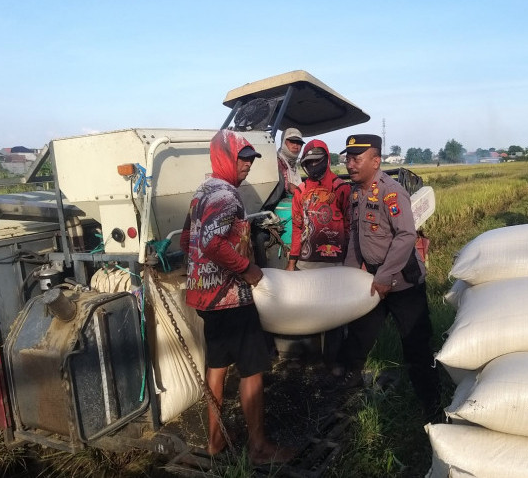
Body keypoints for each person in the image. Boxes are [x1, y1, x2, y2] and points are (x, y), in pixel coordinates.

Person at [181, 129, 294, 464]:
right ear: (224, 157)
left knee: (217, 366)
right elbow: (211, 244)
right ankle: (259, 448)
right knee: (252, 368)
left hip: (206, 299)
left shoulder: (202, 191)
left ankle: (215, 441)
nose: (247, 165)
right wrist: (248, 269)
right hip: (231, 299)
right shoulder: (227, 197)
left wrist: (198, 270)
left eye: (250, 159)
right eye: (241, 158)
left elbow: (187, 238)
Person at [334, 133, 442, 422]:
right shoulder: (356, 193)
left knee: (416, 344)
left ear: (376, 161)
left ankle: (432, 405)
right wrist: (349, 274)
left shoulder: (391, 192)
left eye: (356, 159)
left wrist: (383, 276)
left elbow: (406, 236)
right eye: (348, 159)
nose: (350, 164)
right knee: (360, 334)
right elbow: (356, 237)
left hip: (403, 282)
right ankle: (349, 385)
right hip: (374, 281)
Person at [285, 139, 351, 374]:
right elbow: (297, 228)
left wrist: (352, 261)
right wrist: (292, 262)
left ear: (326, 160)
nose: (313, 166)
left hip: (335, 263)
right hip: (306, 263)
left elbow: (350, 226)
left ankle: (332, 361)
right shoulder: (301, 191)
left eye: (317, 161)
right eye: (309, 163)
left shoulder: (341, 189)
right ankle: (309, 359)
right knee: (307, 313)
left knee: (334, 315)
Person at [277, 128, 305, 196]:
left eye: (299, 143)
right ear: (283, 142)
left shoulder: (293, 162)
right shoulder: (276, 161)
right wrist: (288, 186)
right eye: (292, 141)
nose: (296, 145)